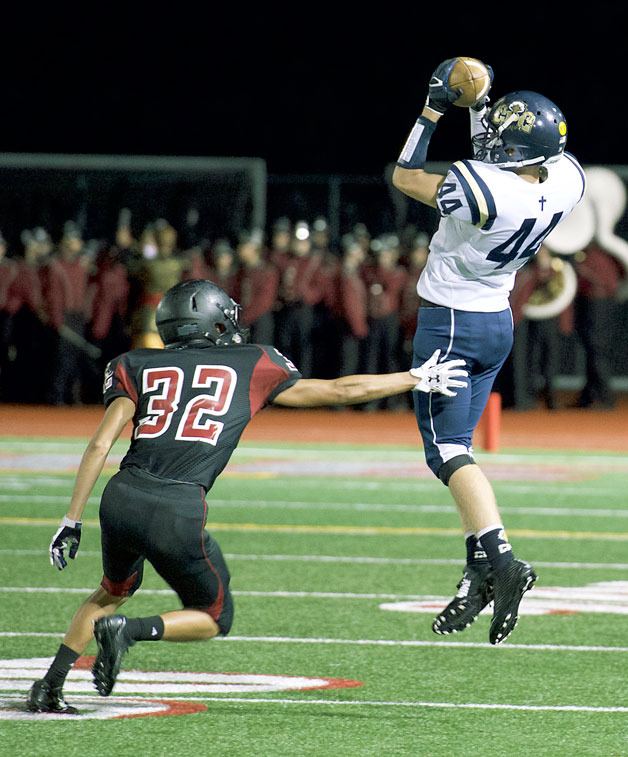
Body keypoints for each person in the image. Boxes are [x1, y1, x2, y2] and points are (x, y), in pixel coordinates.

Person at [26, 278, 467, 714]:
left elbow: (100, 445)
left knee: (109, 590)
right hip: (177, 505)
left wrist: (72, 519)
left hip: (120, 496)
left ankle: (50, 685)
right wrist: (413, 378)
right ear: (214, 323)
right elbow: (339, 390)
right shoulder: (251, 362)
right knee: (214, 615)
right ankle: (129, 631)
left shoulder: (134, 363)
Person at [392, 59, 586, 643]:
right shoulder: (566, 177)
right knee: (460, 447)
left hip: (450, 321)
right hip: (496, 320)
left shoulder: (483, 191)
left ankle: (500, 561)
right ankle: (478, 568)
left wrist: (433, 108)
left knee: (448, 452)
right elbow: (497, 158)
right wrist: (482, 107)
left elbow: (406, 176)